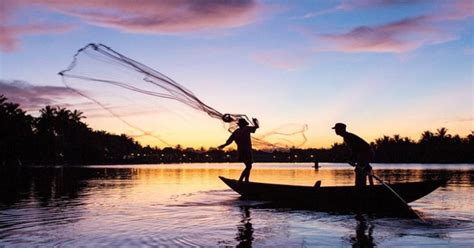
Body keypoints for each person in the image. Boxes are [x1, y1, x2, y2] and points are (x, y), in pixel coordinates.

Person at [332, 123, 374, 187]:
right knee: (364, 168)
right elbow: (354, 150)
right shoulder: (347, 136)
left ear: (341, 129)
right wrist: (352, 159)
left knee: (359, 170)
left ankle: (360, 187)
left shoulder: (347, 137)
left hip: (366, 153)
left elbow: (355, 149)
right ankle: (369, 185)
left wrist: (352, 159)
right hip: (365, 153)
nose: (335, 131)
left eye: (336, 129)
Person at [219, 118, 259, 183]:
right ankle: (241, 180)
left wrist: (224, 145)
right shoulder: (246, 129)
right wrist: (255, 122)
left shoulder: (237, 131)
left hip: (241, 151)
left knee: (248, 166)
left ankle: (245, 181)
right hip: (246, 150)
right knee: (249, 166)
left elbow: (229, 141)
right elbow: (256, 127)